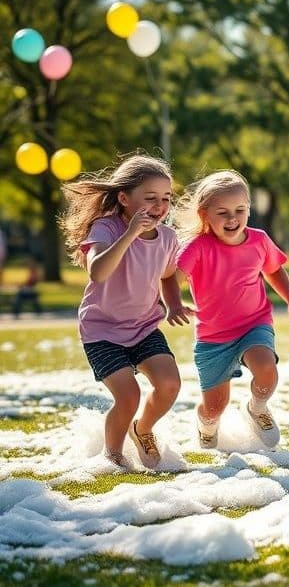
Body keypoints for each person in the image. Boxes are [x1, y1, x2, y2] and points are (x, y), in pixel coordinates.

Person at [59, 155, 188, 470]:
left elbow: (169, 274)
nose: (159, 206)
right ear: (124, 198)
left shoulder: (168, 238)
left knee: (170, 384)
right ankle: (113, 457)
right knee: (128, 396)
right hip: (102, 332)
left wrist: (173, 303)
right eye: (150, 198)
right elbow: (98, 273)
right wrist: (129, 233)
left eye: (166, 199)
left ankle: (141, 429)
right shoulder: (105, 228)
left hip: (143, 327)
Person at [176, 170, 289, 450]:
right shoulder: (198, 247)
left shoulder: (259, 240)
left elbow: (275, 271)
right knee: (214, 406)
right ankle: (206, 425)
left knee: (266, 368)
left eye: (240, 210)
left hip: (254, 323)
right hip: (213, 336)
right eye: (222, 212)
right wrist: (172, 302)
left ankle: (256, 408)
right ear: (204, 215)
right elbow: (170, 277)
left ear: (249, 209)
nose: (232, 218)